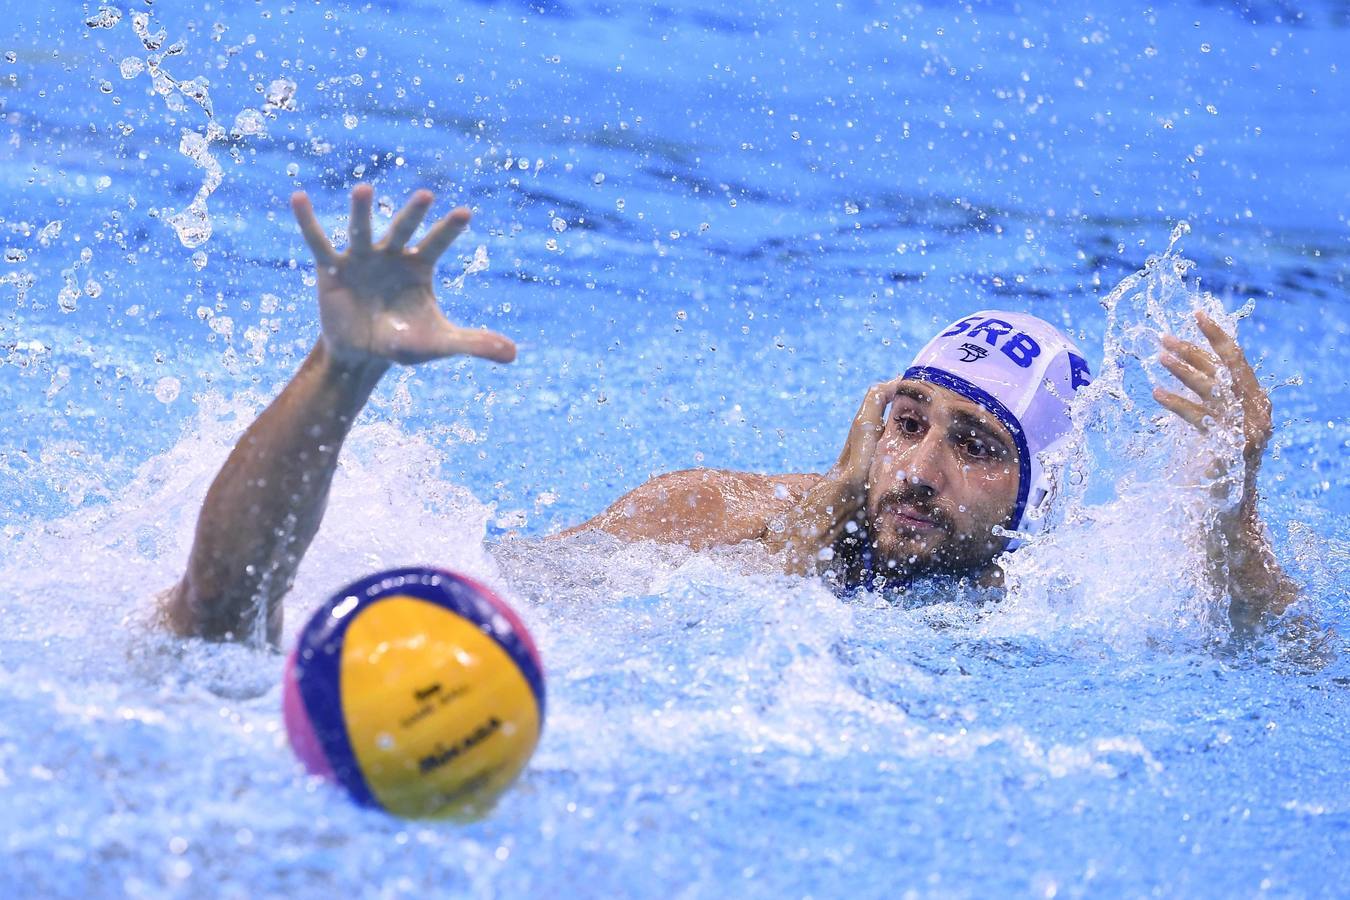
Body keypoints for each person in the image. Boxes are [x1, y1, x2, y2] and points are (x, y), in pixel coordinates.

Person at [161, 186, 1298, 645]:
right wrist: (347, 369)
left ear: (1034, 495)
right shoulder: (709, 516)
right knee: (215, 630)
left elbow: (1291, 660)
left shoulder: (1070, 594)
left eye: (976, 446)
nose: (919, 467)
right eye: (908, 420)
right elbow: (459, 593)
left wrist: (1232, 503)